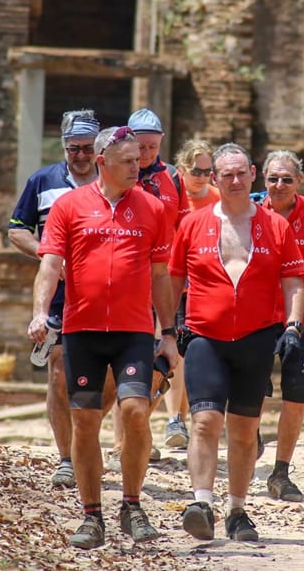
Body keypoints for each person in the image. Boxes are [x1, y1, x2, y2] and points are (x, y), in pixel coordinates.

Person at [27, 125, 180, 550]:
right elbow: (50, 264)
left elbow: (160, 275)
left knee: (135, 410)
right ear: (102, 163)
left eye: (138, 160)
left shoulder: (151, 208)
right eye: (128, 161)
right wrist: (41, 312)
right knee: (85, 420)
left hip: (133, 331)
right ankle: (91, 514)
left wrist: (168, 334)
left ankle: (132, 504)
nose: (137, 167)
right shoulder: (69, 206)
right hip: (82, 332)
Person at [169, 142, 304, 542]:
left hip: (257, 337)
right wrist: (167, 326)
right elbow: (174, 277)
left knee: (245, 431)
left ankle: (236, 509)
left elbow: (292, 280)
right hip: (204, 335)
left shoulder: (275, 225)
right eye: (225, 174)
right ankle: (201, 502)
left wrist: (294, 325)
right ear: (214, 178)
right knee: (205, 420)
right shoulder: (194, 223)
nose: (233, 180)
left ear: (252, 174)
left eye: (240, 173)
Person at [8, 108, 100, 488]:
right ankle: (66, 457)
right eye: (73, 148)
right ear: (63, 146)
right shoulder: (43, 180)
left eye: (87, 149)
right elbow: (16, 230)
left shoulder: (113, 181)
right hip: (60, 295)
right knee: (60, 374)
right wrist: (49, 255)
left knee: (105, 380)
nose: (80, 156)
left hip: (106, 295)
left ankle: (88, 445)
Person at [106, 107, 184, 466]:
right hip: (126, 277)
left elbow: (180, 227)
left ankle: (139, 430)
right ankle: (121, 438)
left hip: (163, 276)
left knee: (158, 359)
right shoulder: (123, 176)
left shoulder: (172, 177)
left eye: (154, 147)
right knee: (122, 359)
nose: (148, 155)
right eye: (143, 147)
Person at [256, 150, 304, 502]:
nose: (279, 185)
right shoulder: (251, 211)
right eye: (273, 178)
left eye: (287, 179)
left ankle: (281, 472)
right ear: (263, 179)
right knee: (251, 392)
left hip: (299, 318)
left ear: (299, 181)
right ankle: (251, 433)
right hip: (255, 316)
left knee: (296, 397)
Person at [161, 139, 221, 449]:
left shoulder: (217, 199)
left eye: (208, 171)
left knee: (191, 352)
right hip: (172, 282)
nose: (202, 177)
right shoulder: (170, 195)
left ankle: (181, 418)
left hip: (204, 284)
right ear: (182, 168)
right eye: (196, 171)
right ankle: (174, 418)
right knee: (171, 348)